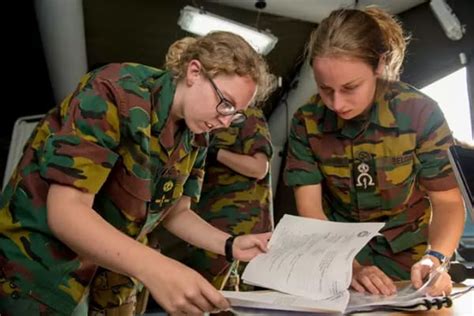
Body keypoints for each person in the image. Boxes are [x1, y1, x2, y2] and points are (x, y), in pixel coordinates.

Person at [0, 31, 275, 315]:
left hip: (111, 280)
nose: (225, 120)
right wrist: (157, 268)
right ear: (194, 72)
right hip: (40, 270)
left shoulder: (197, 133)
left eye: (236, 114)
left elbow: (175, 212)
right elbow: (66, 213)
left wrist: (229, 244)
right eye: (226, 103)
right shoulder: (115, 90)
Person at [284, 7, 465, 297]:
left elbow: (448, 202)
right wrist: (350, 268)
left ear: (378, 66)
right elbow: (311, 211)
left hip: (411, 263)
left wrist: (436, 259)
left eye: (350, 87)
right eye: (324, 88)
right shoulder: (307, 121)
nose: (337, 103)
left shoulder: (419, 113)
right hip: (335, 256)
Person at [185, 106, 273, 290]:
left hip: (245, 227)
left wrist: (216, 153)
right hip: (204, 226)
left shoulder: (249, 115)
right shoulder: (198, 116)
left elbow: (259, 168)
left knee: (239, 297)